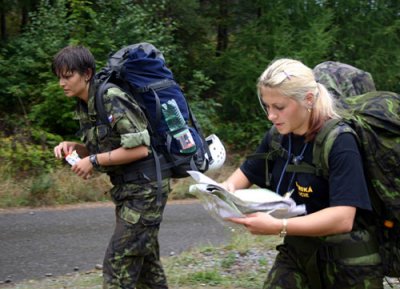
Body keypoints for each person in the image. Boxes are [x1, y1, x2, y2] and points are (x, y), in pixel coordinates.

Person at [222, 58, 384, 289]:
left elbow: (343, 218)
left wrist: (279, 226)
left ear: (308, 99)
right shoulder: (278, 137)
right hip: (299, 249)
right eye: (266, 106)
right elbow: (245, 174)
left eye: (279, 107)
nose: (271, 115)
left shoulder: (340, 141)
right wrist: (222, 193)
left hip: (349, 261)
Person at [52, 45, 170, 289]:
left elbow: (140, 149)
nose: (62, 83)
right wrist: (74, 148)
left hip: (145, 189)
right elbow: (105, 148)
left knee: (118, 263)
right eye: (59, 77)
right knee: (146, 266)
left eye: (67, 76)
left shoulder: (110, 96)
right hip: (128, 190)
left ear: (86, 73)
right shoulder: (86, 104)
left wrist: (92, 162)